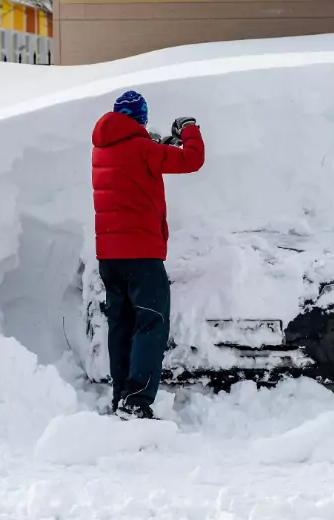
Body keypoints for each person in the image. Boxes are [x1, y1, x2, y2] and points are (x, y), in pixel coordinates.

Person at [91, 90, 205, 420]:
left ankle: (120, 396)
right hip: (140, 255)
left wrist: (161, 145)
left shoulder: (102, 150)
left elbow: (143, 158)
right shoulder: (143, 150)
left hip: (109, 257)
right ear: (140, 119)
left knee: (121, 325)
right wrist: (188, 129)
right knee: (150, 323)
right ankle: (137, 400)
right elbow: (192, 159)